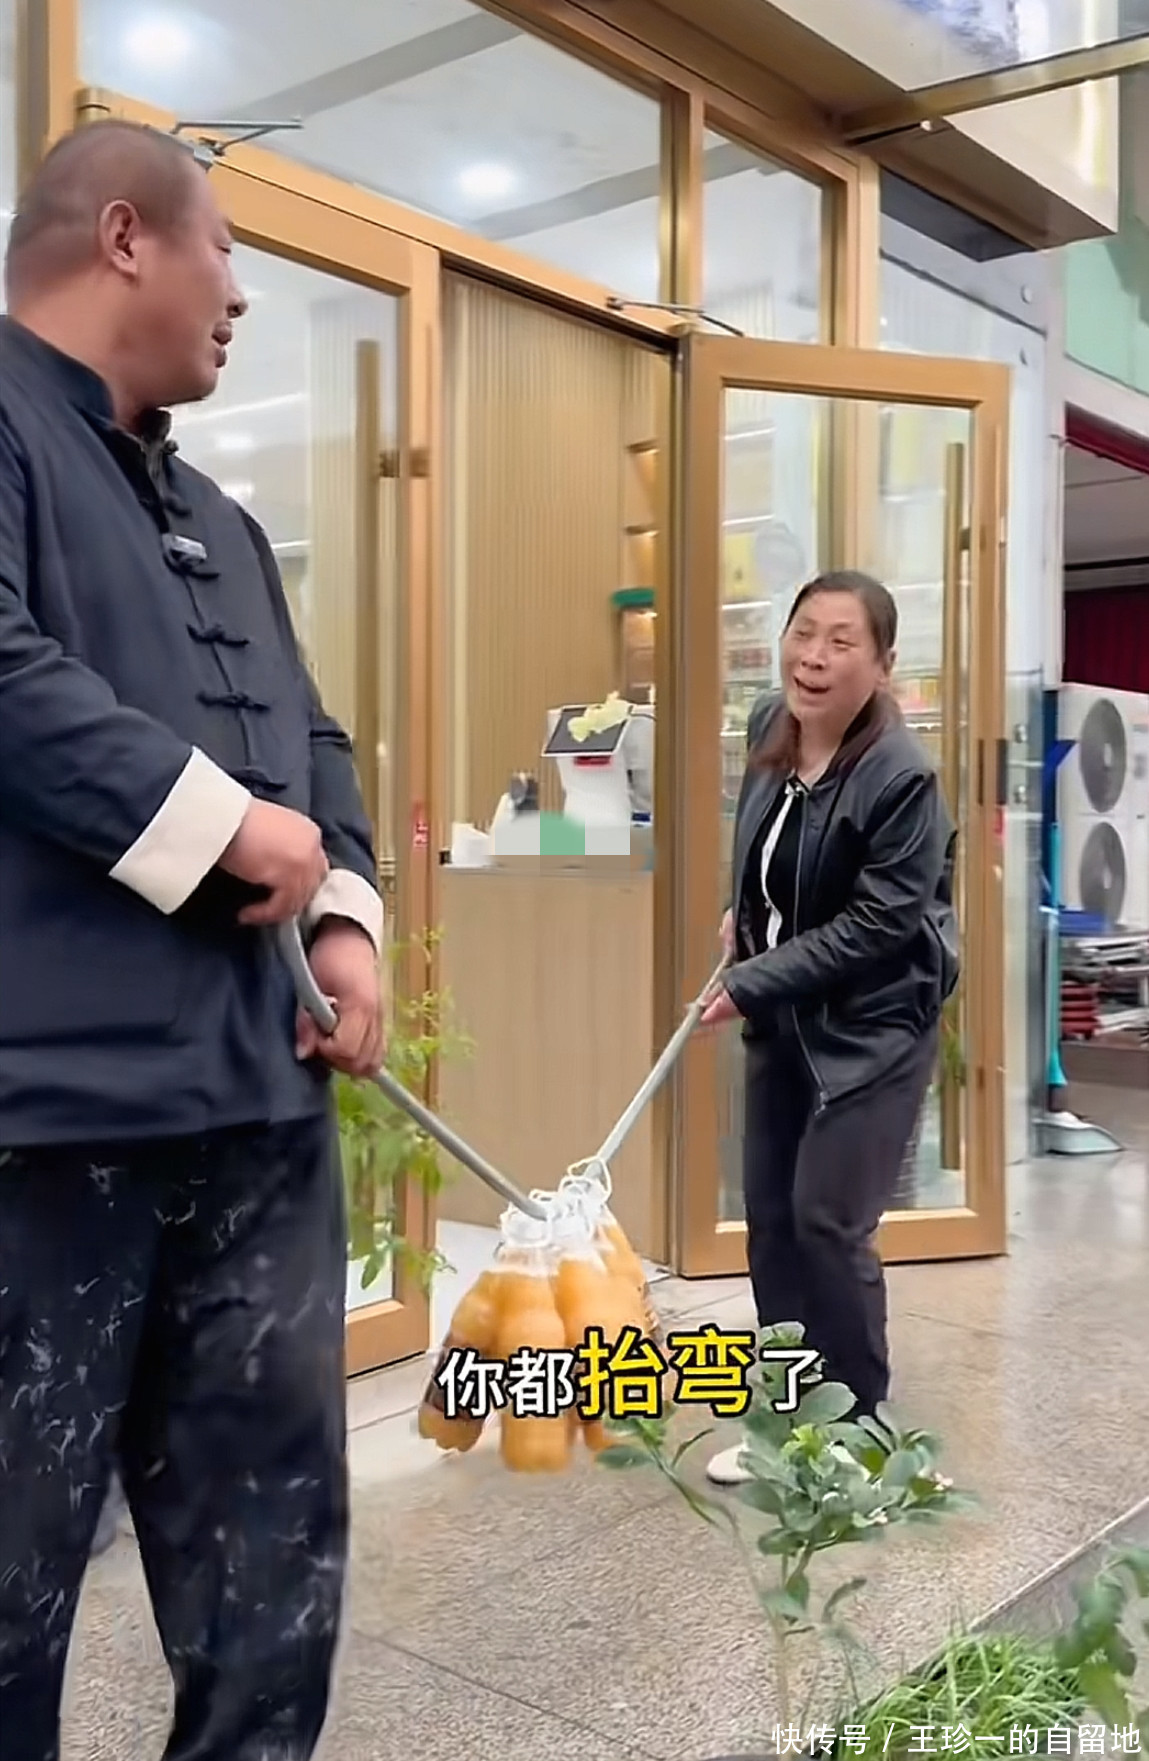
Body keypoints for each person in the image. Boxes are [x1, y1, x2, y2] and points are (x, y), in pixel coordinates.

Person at [0, 121, 385, 1759]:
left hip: (259, 1123)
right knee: (9, 1584)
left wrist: (345, 917)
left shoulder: (221, 517)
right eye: (223, 247)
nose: (239, 292)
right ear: (125, 237)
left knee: (272, 1579)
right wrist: (218, 825)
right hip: (45, 1130)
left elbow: (313, 738)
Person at [700, 571, 958, 1484]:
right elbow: (764, 842)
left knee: (826, 1221)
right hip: (786, 1014)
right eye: (802, 631)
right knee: (771, 1221)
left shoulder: (902, 776)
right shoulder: (769, 721)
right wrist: (744, 913)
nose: (813, 657)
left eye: (841, 641)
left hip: (874, 1027)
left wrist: (753, 979)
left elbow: (879, 923)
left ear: (882, 665)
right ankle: (790, 1424)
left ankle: (859, 1431)